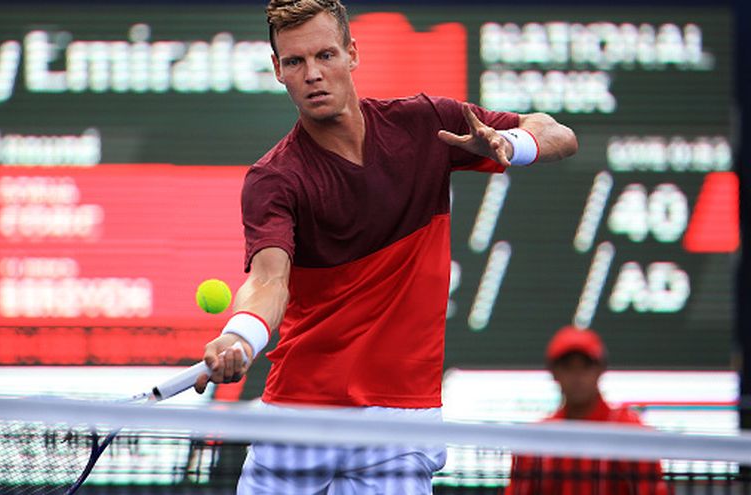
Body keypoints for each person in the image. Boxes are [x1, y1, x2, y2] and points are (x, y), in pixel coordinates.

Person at [194, 0, 578, 492]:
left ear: (352, 54)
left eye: (325, 55)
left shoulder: (427, 125)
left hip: (401, 420)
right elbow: (269, 280)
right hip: (301, 415)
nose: (313, 74)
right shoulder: (274, 178)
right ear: (278, 70)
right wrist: (240, 337)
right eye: (295, 61)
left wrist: (513, 144)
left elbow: (559, 134)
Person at [504, 326, 671, 495]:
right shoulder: (535, 443)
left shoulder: (631, 433)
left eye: (585, 366)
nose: (577, 376)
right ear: (554, 373)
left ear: (600, 370)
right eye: (568, 367)